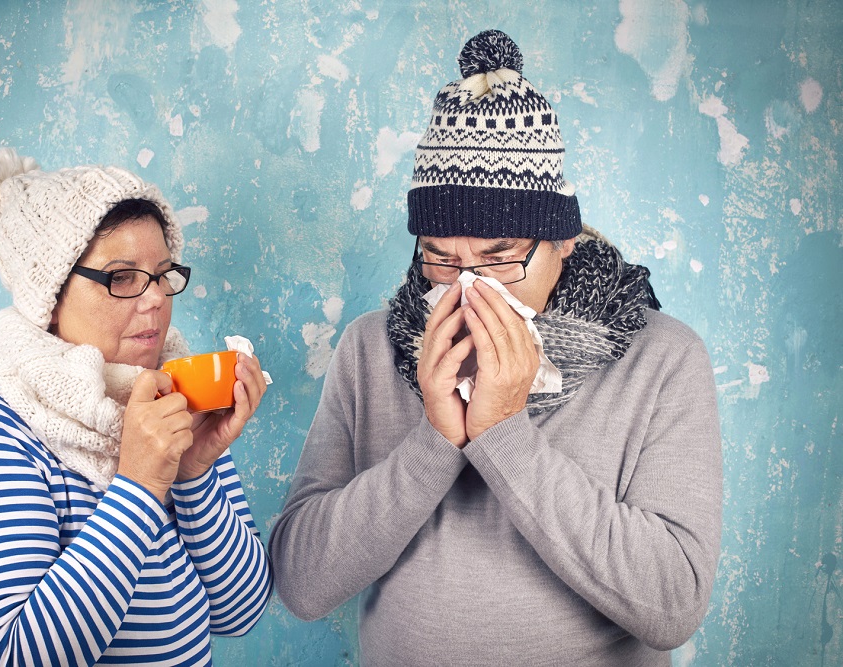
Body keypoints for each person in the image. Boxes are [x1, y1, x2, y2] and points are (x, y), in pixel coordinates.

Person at [269, 30, 722, 666]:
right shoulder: (370, 348)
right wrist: (433, 442)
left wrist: (505, 433)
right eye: (441, 258)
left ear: (561, 242)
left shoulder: (663, 358)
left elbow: (673, 605)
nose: (469, 289)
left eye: (500, 259)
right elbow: (302, 584)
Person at [0, 148, 271, 666]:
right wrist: (138, 486)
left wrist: (195, 475)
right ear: (51, 294)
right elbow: (13, 656)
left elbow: (239, 613)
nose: (155, 299)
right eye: (122, 276)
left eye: (162, 273)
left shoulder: (175, 404)